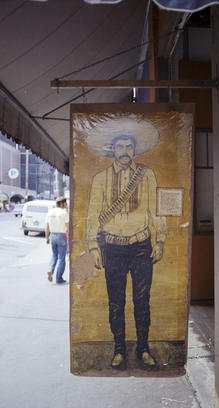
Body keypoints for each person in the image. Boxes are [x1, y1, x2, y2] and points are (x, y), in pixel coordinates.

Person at [84, 116, 167, 368]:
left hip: (141, 245)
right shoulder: (100, 178)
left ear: (134, 150)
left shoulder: (147, 175)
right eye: (120, 147)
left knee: (142, 301)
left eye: (128, 147)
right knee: (115, 301)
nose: (124, 151)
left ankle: (143, 349)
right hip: (112, 247)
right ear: (113, 150)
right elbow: (92, 213)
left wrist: (160, 240)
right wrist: (93, 246)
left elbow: (156, 210)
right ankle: (119, 350)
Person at [45, 196, 69, 284]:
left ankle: (51, 270)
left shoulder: (50, 212)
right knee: (61, 258)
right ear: (62, 203)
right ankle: (59, 278)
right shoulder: (64, 213)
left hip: (53, 236)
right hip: (61, 236)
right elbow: (68, 227)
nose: (66, 204)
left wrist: (47, 238)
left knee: (54, 255)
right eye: (65, 203)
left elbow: (47, 227)